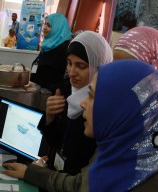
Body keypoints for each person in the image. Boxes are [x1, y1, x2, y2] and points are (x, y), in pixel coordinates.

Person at [3, 60, 158, 192]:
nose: (82, 103)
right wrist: (31, 172)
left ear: (117, 109)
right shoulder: (117, 153)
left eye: (92, 96)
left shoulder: (139, 191)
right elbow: (80, 185)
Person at [38, 31, 112, 176]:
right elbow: (55, 140)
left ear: (98, 66)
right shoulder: (66, 90)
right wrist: (50, 117)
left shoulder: (102, 104)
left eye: (81, 66)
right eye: (69, 63)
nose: (72, 72)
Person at [113, 26, 158, 179]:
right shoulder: (122, 104)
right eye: (116, 68)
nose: (120, 77)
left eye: (131, 71)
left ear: (156, 69)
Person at [30, 13, 71, 94]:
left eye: (49, 25)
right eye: (45, 24)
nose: (44, 27)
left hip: (49, 99)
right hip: (36, 93)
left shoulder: (65, 49)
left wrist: (46, 90)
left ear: (58, 27)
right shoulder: (47, 46)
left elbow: (66, 81)